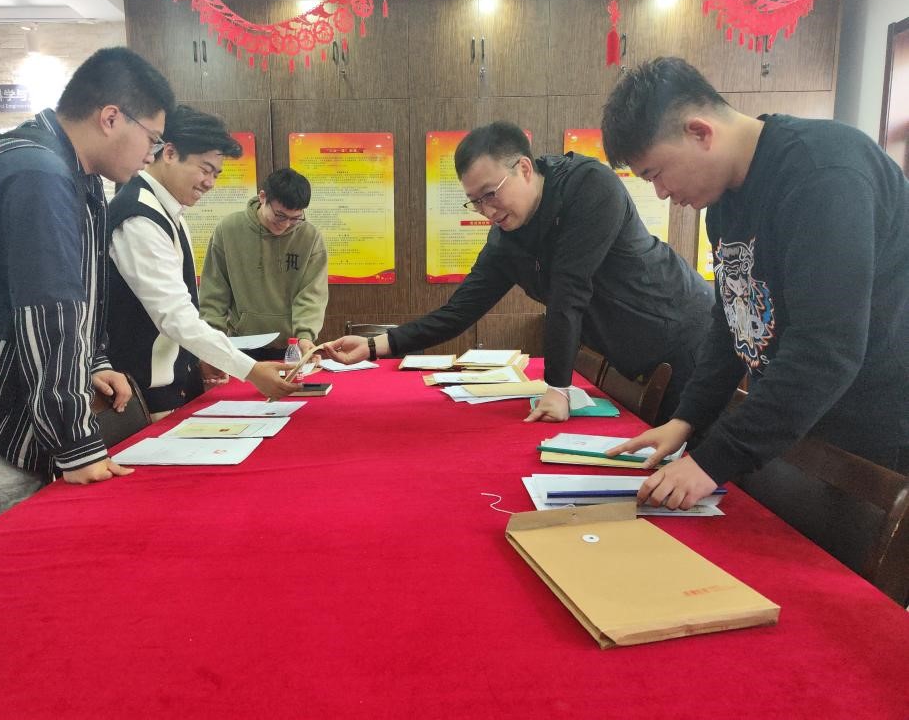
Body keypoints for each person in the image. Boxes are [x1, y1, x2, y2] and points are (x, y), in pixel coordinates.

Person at [599, 56, 909, 510]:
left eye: (656, 174)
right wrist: (687, 418)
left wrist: (711, 462)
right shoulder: (723, 203)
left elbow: (827, 348)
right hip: (797, 423)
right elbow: (732, 323)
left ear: (699, 132)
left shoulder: (824, 173)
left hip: (875, 437)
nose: (661, 193)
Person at [0, 47, 175, 541]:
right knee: (1, 573)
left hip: (9, 413)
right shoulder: (38, 171)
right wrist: (76, 442)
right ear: (111, 118)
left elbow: (78, 293)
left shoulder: (69, 172)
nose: (151, 155)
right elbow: (48, 310)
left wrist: (94, 362)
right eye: (152, 138)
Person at [323, 120, 713, 423]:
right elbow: (458, 313)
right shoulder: (506, 239)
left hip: (686, 333)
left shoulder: (589, 187)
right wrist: (373, 347)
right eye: (475, 202)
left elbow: (569, 291)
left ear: (524, 168)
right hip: (632, 359)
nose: (487, 211)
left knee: (698, 475)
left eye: (491, 194)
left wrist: (557, 388)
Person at [107, 106, 297, 419]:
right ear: (169, 153)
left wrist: (199, 358)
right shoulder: (139, 218)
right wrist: (249, 370)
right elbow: (174, 315)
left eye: (216, 174)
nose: (210, 183)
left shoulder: (169, 211)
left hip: (173, 384)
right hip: (142, 395)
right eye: (205, 169)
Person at [199, 168, 328, 360]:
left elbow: (312, 294)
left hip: (292, 346)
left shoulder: (309, 237)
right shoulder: (229, 229)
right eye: (280, 215)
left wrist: (305, 336)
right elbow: (214, 292)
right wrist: (212, 340)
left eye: (295, 218)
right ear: (262, 197)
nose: (285, 224)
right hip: (242, 345)